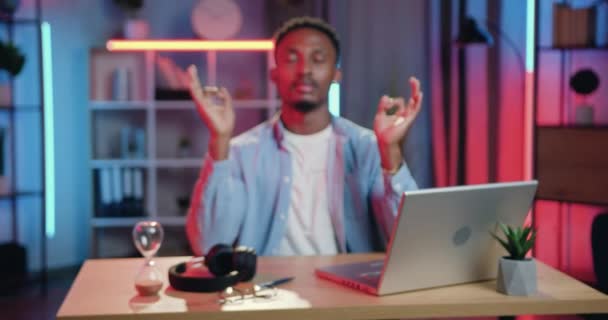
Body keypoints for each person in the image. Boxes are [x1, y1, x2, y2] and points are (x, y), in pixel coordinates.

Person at [185, 16, 423, 256]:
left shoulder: (368, 147)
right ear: (274, 74)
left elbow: (410, 241)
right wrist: (219, 139)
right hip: (268, 289)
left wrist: (391, 149)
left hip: (348, 287)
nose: (304, 70)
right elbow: (208, 244)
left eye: (318, 59)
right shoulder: (239, 152)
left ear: (336, 75)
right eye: (291, 59)